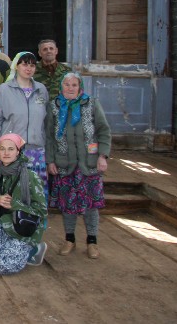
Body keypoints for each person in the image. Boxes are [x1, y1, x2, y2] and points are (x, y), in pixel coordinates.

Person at [46, 72, 111, 259]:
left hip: (88, 164)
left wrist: (103, 156)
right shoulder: (55, 106)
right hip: (65, 164)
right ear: (61, 87)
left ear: (80, 87)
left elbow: (103, 131)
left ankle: (92, 241)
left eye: (74, 85)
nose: (70, 88)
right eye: (66, 84)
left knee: (91, 205)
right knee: (67, 205)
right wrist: (50, 160)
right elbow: (49, 136)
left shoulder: (91, 104)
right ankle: (69, 239)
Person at [0, 133, 48, 274]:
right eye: (2, 149)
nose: (6, 153)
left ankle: (34, 249)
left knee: (6, 267)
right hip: (4, 224)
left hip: (23, 230)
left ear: (18, 152)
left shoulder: (30, 177)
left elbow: (42, 212)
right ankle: (8, 248)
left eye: (11, 149)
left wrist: (16, 205)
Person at [0, 52, 49, 194]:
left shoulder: (41, 90)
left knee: (36, 195)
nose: (28, 68)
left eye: (32, 65)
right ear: (16, 66)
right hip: (11, 152)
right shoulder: (5, 89)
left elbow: (47, 123)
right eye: (24, 64)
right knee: (12, 195)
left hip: (36, 152)